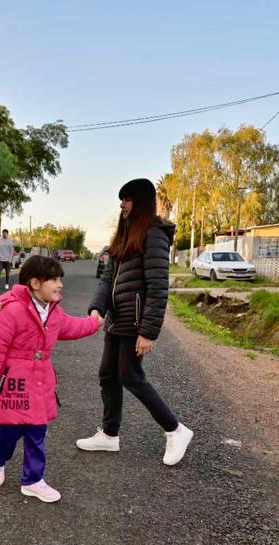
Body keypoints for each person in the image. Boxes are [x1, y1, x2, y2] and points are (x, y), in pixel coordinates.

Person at [76, 178, 193, 466]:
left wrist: (148, 332)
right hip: (117, 321)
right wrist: (97, 308)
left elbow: (157, 287)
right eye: (121, 199)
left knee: (130, 376)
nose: (122, 204)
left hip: (135, 321)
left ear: (140, 202)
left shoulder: (153, 235)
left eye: (127, 199)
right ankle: (109, 434)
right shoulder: (123, 236)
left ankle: (175, 430)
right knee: (108, 374)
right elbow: (107, 279)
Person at [0, 255, 103, 502]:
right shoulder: (10, 310)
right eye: (53, 279)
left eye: (60, 279)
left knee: (37, 432)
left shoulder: (53, 312)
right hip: (15, 386)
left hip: (41, 383)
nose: (59, 284)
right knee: (9, 431)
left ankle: (33, 480)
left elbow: (72, 327)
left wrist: (94, 323)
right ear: (34, 283)